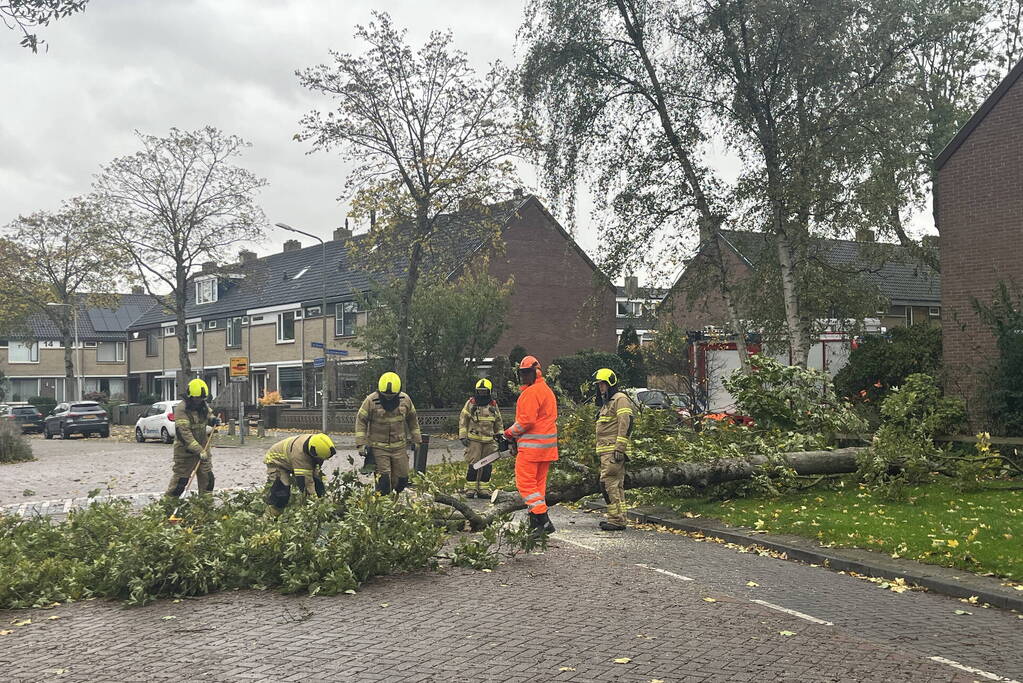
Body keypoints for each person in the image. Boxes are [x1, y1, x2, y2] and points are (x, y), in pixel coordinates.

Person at [504, 355, 558, 536]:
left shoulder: (531, 393)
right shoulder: (546, 391)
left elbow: (525, 422)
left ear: (537, 372)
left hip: (532, 449)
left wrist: (508, 433)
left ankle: (543, 520)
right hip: (546, 448)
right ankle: (536, 523)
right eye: (522, 373)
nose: (524, 376)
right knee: (537, 487)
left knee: (525, 484)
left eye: (527, 372)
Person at [355, 372, 422, 495]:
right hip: (379, 448)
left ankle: (394, 496)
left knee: (402, 479)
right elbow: (361, 420)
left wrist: (416, 439)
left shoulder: (405, 400)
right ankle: (383, 501)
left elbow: (413, 419)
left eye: (392, 396)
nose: (389, 398)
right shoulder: (371, 400)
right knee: (384, 480)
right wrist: (361, 444)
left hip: (399, 448)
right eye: (385, 396)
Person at [592, 368, 634, 531]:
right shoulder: (608, 402)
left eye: (603, 384)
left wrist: (620, 448)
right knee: (616, 486)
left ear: (610, 383)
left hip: (613, 451)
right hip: (607, 451)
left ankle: (616, 519)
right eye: (599, 384)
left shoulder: (619, 399)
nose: (601, 387)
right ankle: (620, 518)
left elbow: (626, 422)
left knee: (607, 484)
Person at [165, 378, 219, 499]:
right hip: (185, 452)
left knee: (208, 479)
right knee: (180, 482)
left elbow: (208, 415)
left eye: (202, 399)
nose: (199, 401)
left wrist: (213, 420)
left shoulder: (203, 405)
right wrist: (198, 450)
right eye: (197, 399)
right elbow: (184, 434)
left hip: (204, 449)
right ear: (190, 396)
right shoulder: (181, 409)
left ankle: (205, 505)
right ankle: (168, 504)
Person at [263, 432, 337, 515]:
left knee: (317, 482)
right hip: (276, 462)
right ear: (313, 453)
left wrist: (323, 494)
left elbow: (315, 475)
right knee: (282, 491)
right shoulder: (300, 456)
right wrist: (315, 502)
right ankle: (271, 515)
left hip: (290, 458)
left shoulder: (315, 441)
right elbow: (306, 483)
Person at [458, 378, 504, 498]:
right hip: (474, 441)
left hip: (489, 441)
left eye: (484, 391)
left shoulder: (493, 405)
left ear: (489, 392)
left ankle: (484, 490)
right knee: (474, 465)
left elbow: (498, 421)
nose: (482, 394)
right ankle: (470, 489)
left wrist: (500, 435)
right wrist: (463, 436)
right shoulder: (471, 403)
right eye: (480, 391)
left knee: (487, 465)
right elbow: (463, 420)